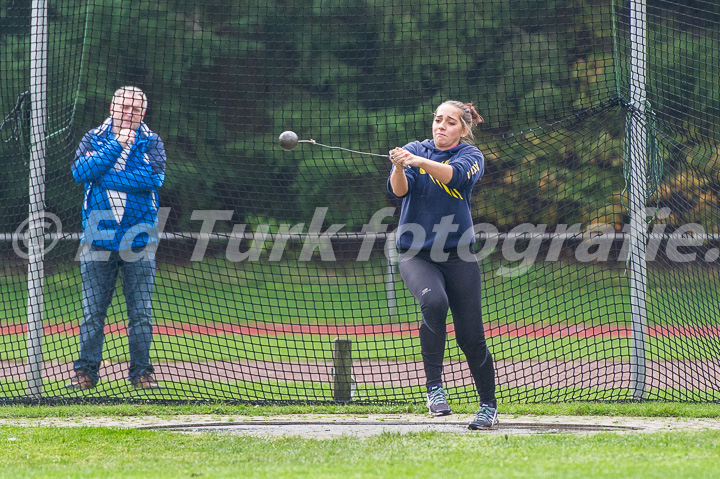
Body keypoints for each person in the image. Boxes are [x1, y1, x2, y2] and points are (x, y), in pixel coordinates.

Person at [387, 100, 498, 429]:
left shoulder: (470, 157)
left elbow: (453, 177)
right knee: (434, 301)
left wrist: (418, 161)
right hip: (416, 254)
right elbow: (399, 190)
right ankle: (434, 389)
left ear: (463, 129)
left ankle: (488, 406)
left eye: (450, 122)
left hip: (459, 256)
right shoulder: (413, 150)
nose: (441, 126)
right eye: (438, 120)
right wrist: (398, 166)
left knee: (471, 337)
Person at [68, 86, 166, 390]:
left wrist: (103, 173)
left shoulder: (151, 141)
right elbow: (80, 171)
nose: (129, 113)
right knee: (92, 314)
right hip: (98, 237)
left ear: (143, 113)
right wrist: (114, 148)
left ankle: (141, 374)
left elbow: (152, 179)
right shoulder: (94, 138)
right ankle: (85, 373)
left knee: (140, 314)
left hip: (139, 239)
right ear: (112, 106)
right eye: (124, 107)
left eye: (136, 109)